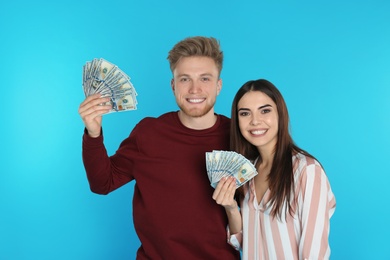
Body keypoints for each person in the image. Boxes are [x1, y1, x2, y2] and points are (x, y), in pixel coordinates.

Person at [78, 36, 240, 259]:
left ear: (218, 85)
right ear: (173, 85)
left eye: (205, 78)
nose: (195, 89)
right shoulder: (148, 134)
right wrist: (94, 134)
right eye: (185, 79)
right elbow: (102, 183)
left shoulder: (239, 137)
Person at [212, 79, 336, 259]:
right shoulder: (247, 173)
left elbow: (314, 253)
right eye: (245, 113)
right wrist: (230, 207)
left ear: (280, 114)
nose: (255, 121)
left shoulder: (306, 171)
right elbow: (244, 244)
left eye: (265, 110)